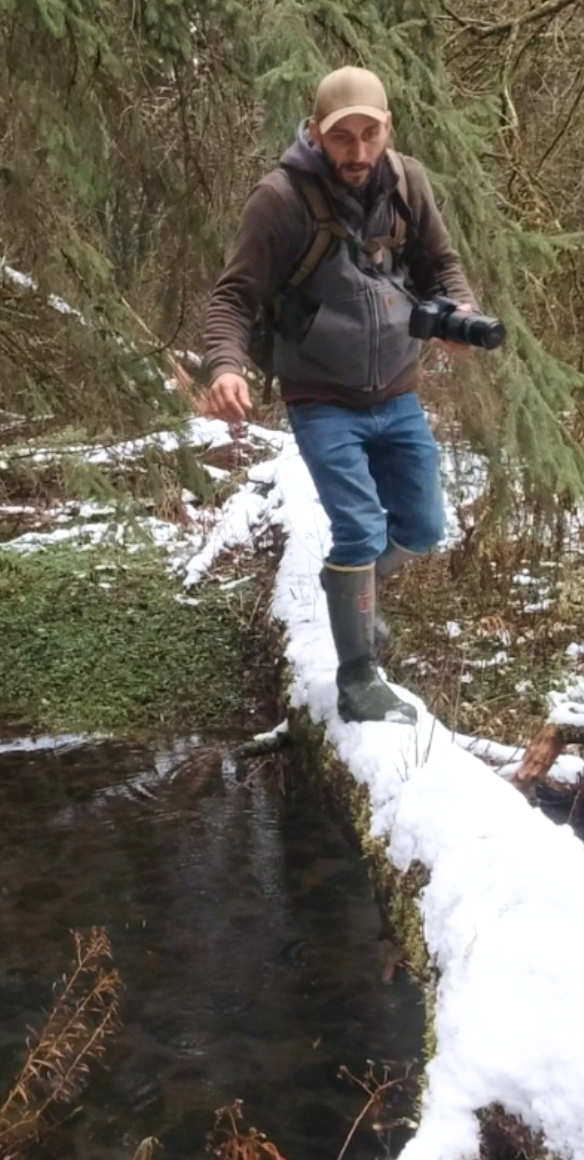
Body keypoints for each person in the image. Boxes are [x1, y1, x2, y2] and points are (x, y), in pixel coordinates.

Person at [200, 66, 478, 723]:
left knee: (423, 527)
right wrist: (225, 366)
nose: (358, 151)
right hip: (321, 398)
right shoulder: (280, 198)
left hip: (398, 391)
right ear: (316, 133)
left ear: (389, 129)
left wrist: (459, 310)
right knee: (360, 529)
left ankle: (350, 590)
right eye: (342, 137)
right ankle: (358, 680)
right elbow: (233, 296)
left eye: (369, 135)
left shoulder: (408, 182)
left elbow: (441, 265)